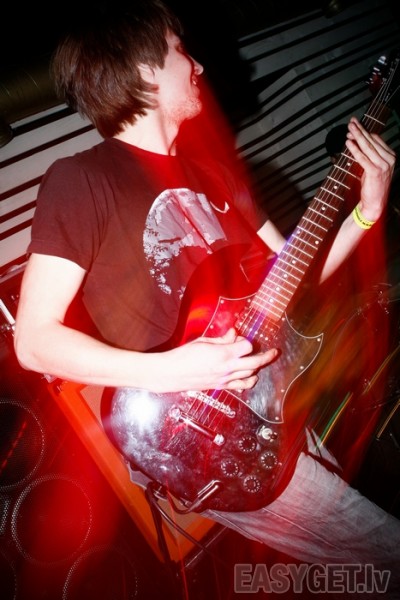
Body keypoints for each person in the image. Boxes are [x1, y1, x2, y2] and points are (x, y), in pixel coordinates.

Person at [14, 0, 400, 596]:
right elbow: (35, 341)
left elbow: (295, 277)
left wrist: (367, 213)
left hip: (275, 401)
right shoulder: (81, 178)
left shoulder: (217, 173)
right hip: (198, 434)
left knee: (363, 569)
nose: (196, 65)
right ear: (143, 68)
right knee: (387, 550)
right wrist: (175, 369)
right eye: (180, 51)